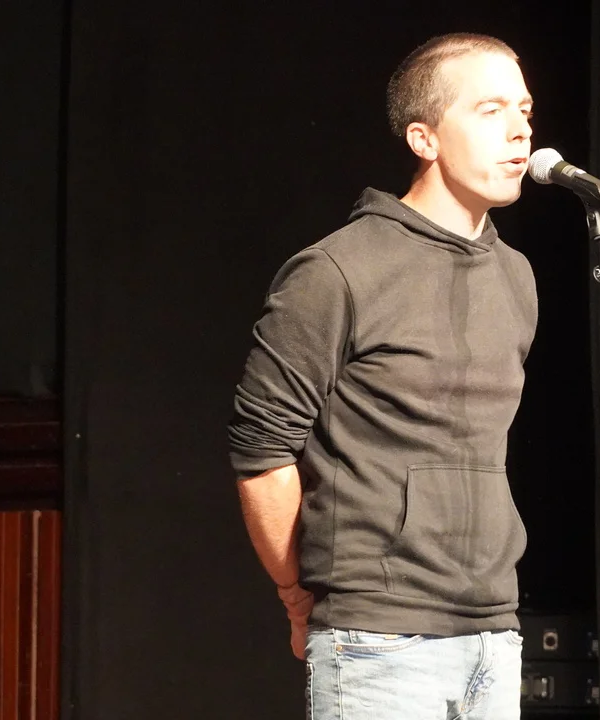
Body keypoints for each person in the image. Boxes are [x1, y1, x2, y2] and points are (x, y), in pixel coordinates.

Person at [228, 33, 537, 719]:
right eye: (490, 111)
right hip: (380, 640)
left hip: (494, 634)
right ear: (424, 139)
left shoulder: (515, 275)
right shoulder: (338, 271)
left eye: (524, 111)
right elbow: (261, 451)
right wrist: (297, 594)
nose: (519, 131)